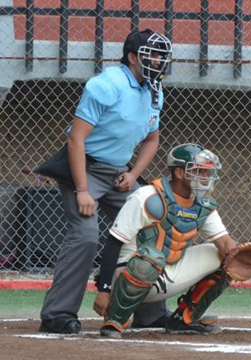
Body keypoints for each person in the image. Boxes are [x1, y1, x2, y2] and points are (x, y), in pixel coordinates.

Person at [38, 28, 173, 334]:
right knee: (85, 236)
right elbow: (76, 139)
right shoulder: (106, 84)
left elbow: (152, 139)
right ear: (131, 57)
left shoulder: (155, 89)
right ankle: (56, 315)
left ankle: (150, 313)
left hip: (119, 173)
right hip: (83, 168)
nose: (158, 60)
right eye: (150, 54)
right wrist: (83, 189)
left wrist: (134, 174)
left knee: (151, 229)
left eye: (161, 55)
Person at [92, 143, 238, 339]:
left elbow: (225, 243)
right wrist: (104, 290)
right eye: (198, 171)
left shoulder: (203, 204)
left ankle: (183, 319)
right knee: (150, 258)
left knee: (224, 257)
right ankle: (115, 320)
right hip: (130, 271)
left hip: (166, 271)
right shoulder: (147, 197)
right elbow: (113, 242)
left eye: (207, 172)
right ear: (179, 172)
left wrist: (242, 257)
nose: (205, 177)